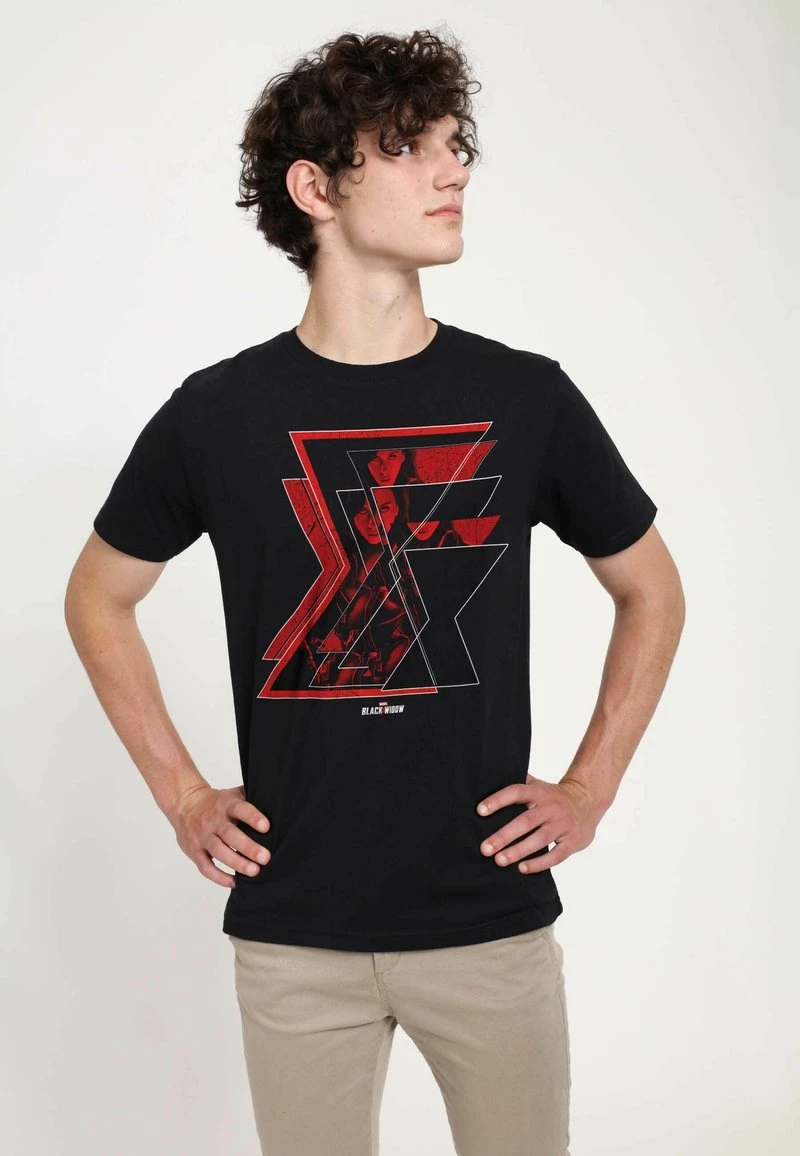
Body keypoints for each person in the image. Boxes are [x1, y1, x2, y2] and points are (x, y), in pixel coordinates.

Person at [64, 27, 685, 1156]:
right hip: (295, 932)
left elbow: (651, 588)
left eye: (454, 144)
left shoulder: (525, 397)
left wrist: (589, 788)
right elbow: (97, 596)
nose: (453, 170)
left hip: (486, 918)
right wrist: (182, 793)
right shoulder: (218, 414)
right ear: (315, 189)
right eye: (406, 147)